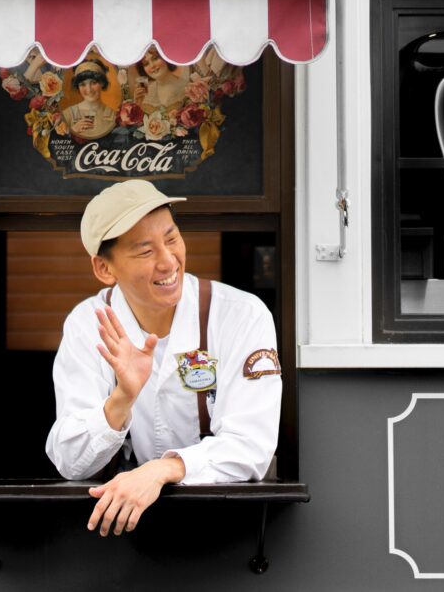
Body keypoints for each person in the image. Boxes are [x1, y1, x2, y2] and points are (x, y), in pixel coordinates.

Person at [46, 180, 282, 536]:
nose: (169, 261)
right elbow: (70, 461)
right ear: (104, 269)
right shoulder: (88, 324)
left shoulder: (242, 316)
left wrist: (159, 471)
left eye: (171, 239)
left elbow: (251, 447)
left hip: (232, 530)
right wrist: (120, 401)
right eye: (145, 251)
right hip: (122, 536)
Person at [62, 60, 118, 141]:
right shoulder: (68, 114)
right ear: (78, 87)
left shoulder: (113, 115)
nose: (89, 90)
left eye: (94, 83)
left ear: (102, 83)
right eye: (82, 84)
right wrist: (72, 131)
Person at [133, 46, 189, 112]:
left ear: (166, 57)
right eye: (146, 64)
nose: (152, 65)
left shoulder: (186, 87)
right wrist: (138, 105)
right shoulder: (147, 93)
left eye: (155, 58)